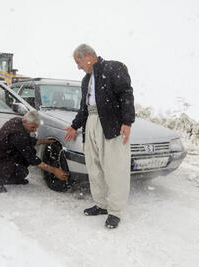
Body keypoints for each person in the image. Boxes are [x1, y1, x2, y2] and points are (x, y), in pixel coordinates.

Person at [64, 44, 135, 229]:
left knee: (115, 168)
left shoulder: (113, 67)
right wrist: (74, 125)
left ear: (88, 56)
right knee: (94, 167)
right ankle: (102, 204)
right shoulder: (85, 80)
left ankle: (115, 211)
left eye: (78, 62)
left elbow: (126, 94)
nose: (78, 67)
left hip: (111, 124)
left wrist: (127, 122)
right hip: (92, 123)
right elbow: (84, 108)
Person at [0, 111, 69, 193]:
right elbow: (32, 158)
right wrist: (54, 170)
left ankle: (12, 177)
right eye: (33, 127)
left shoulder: (18, 121)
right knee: (22, 171)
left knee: (30, 152)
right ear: (25, 121)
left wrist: (46, 141)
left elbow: (28, 141)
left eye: (36, 127)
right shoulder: (18, 134)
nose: (34, 130)